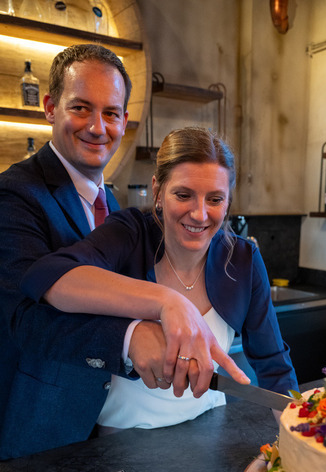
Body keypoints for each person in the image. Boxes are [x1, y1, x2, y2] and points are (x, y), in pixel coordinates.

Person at [0, 47, 246, 460]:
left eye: (111, 113)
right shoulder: (14, 194)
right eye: (81, 108)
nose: (98, 127)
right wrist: (131, 336)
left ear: (124, 120)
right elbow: (22, 320)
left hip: (108, 427)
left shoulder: (111, 205)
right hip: (42, 426)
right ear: (50, 108)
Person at [22, 127, 299, 431]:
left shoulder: (243, 259)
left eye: (215, 199)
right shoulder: (129, 234)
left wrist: (301, 440)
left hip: (210, 429)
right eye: (183, 195)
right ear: (157, 191)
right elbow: (47, 277)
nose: (200, 214)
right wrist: (167, 301)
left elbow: (274, 366)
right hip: (121, 440)